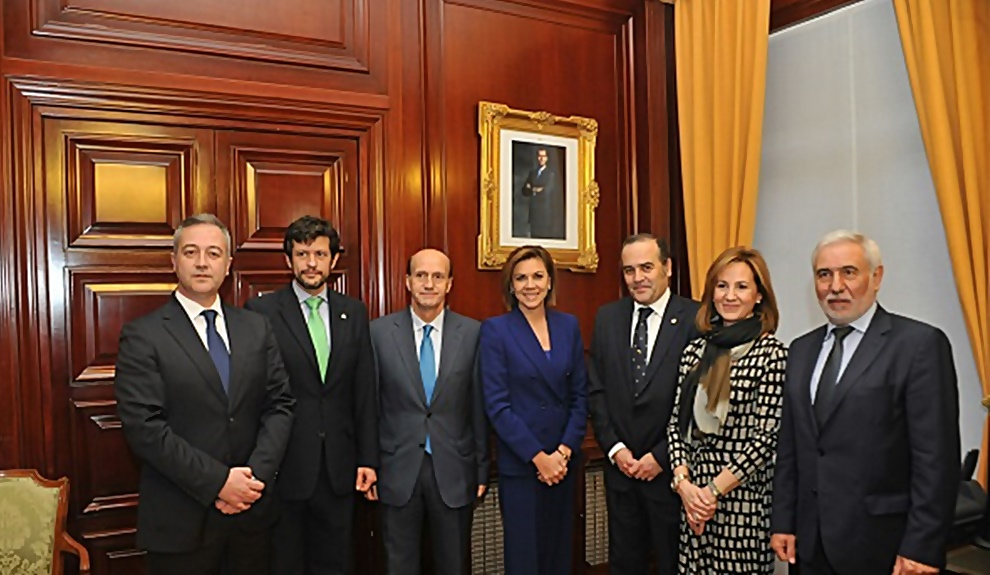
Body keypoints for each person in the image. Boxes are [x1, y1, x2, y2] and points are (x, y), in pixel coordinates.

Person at [770, 230, 960, 575]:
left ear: (876, 278)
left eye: (849, 272)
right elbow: (791, 447)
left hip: (884, 544)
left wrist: (923, 546)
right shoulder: (800, 349)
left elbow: (936, 459)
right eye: (824, 274)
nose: (835, 286)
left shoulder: (918, 346)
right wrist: (784, 520)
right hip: (810, 543)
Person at [115, 213, 295, 575]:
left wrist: (250, 483)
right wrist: (218, 483)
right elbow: (145, 428)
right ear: (174, 260)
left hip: (251, 518)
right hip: (181, 523)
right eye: (191, 252)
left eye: (213, 253)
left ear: (228, 265)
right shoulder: (143, 335)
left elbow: (280, 405)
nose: (201, 262)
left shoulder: (256, 328)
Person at [244, 215, 377, 575]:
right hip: (285, 466)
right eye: (302, 254)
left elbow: (364, 391)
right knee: (286, 563)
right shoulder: (261, 312)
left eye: (320, 253)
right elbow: (253, 395)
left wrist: (368, 458)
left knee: (336, 562)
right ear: (289, 259)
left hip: (340, 466)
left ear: (333, 260)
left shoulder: (355, 311)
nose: (311, 263)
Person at [366, 248, 490, 575]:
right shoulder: (378, 333)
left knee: (454, 564)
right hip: (397, 470)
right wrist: (370, 463)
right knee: (399, 566)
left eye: (438, 276)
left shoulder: (474, 334)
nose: (429, 284)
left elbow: (477, 406)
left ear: (450, 283)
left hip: (454, 469)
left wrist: (481, 468)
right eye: (421, 275)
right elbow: (370, 407)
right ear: (407, 281)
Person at [666, 246, 787, 574]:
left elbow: (766, 439)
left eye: (741, 286)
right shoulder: (694, 351)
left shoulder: (772, 355)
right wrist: (684, 485)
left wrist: (711, 492)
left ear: (759, 296)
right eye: (722, 286)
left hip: (742, 506)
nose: (730, 295)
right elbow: (677, 426)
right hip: (693, 503)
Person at [587, 233, 700, 574]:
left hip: (672, 474)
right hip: (621, 472)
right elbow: (597, 390)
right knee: (625, 563)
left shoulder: (696, 318)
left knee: (672, 564)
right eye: (629, 270)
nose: (638, 278)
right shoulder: (607, 318)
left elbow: (698, 402)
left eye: (647, 267)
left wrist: (661, 456)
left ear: (667, 267)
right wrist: (615, 449)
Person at [479, 245, 588, 575]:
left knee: (559, 555)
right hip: (524, 464)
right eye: (521, 278)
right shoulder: (496, 330)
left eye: (538, 276)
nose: (530, 285)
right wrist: (541, 458)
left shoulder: (568, 325)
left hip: (563, 463)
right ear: (510, 286)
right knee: (525, 559)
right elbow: (496, 405)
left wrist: (563, 452)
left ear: (550, 281)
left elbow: (580, 396)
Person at [520, 148, 564, 239]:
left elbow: (546, 192)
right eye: (539, 156)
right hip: (533, 214)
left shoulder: (551, 174)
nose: (541, 159)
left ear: (547, 158)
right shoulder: (532, 173)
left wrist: (532, 189)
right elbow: (524, 191)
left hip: (545, 214)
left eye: (543, 156)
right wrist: (535, 190)